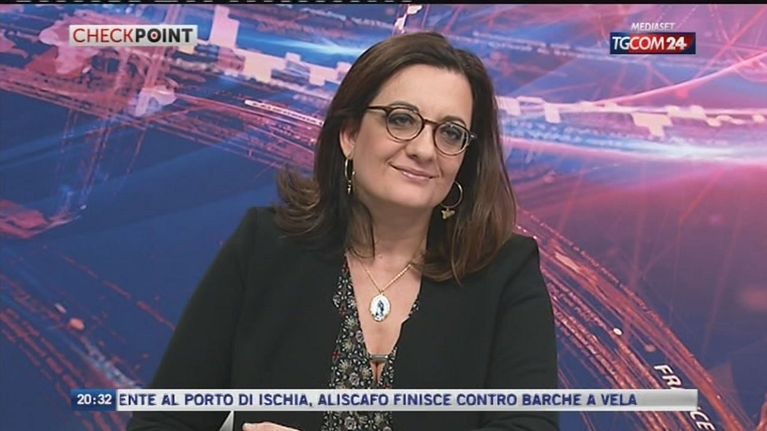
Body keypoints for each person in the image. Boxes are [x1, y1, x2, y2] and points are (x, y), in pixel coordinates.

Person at [127, 31, 558, 431]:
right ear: (350, 134)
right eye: (401, 119)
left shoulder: (507, 272)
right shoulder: (266, 246)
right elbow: (162, 423)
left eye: (450, 132)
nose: (425, 150)